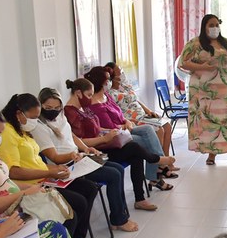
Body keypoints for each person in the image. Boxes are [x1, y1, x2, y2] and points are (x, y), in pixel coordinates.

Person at [0, 93, 107, 238]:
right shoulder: (7, 133)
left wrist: (56, 169)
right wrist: (49, 171)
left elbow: (35, 162)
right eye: (33, 117)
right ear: (19, 114)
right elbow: (13, 171)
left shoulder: (22, 131)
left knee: (89, 189)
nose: (35, 121)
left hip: (46, 177)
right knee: (76, 205)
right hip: (33, 185)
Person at [33, 87, 138, 232]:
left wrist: (85, 149)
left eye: (57, 107)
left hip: (78, 158)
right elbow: (54, 158)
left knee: (118, 169)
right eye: (48, 107)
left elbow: (72, 137)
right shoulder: (39, 127)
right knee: (113, 175)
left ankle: (119, 216)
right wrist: (72, 156)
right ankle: (119, 219)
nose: (54, 110)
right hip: (66, 166)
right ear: (41, 106)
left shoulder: (61, 116)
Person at [64, 77, 163, 211]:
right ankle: (156, 160)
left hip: (104, 144)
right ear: (78, 93)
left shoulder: (83, 108)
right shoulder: (70, 113)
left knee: (136, 154)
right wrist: (104, 139)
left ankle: (140, 199)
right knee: (134, 147)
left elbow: (97, 128)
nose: (91, 98)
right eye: (88, 95)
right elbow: (79, 141)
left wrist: (111, 131)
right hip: (97, 150)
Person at [84, 66, 176, 191]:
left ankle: (157, 165)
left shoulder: (106, 96)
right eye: (107, 79)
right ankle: (157, 168)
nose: (109, 82)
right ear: (101, 82)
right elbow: (109, 127)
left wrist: (126, 121)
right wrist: (124, 125)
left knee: (149, 129)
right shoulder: (95, 104)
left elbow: (120, 113)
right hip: (115, 136)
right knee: (146, 142)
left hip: (126, 126)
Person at [178, 14, 227, 166]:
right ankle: (211, 154)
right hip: (204, 92)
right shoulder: (195, 43)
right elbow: (183, 63)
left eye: (217, 25)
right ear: (204, 27)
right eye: (211, 25)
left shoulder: (226, 43)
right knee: (209, 122)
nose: (215, 28)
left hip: (226, 91)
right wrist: (203, 67)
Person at [105, 61, 176, 161]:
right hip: (133, 120)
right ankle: (158, 166)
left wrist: (148, 110)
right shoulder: (110, 94)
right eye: (119, 72)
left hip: (143, 115)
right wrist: (126, 121)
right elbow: (115, 112)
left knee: (167, 126)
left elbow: (135, 99)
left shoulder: (123, 86)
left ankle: (166, 160)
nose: (122, 73)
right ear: (113, 77)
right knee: (159, 130)